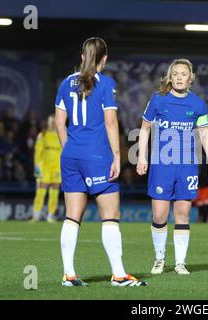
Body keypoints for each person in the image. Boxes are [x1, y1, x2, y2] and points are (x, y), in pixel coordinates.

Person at [54, 37, 146, 287]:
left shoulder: (65, 83)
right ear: (104, 59)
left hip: (71, 155)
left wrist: (70, 148)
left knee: (72, 216)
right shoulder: (106, 84)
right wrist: (117, 156)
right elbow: (110, 122)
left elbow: (59, 123)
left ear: (82, 56)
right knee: (111, 216)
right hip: (97, 155)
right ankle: (118, 275)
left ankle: (69, 274)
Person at [136, 58, 208, 275]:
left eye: (183, 74)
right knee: (160, 215)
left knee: (183, 214)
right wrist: (142, 157)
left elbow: (205, 135)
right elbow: (144, 129)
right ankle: (159, 259)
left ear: (190, 78)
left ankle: (180, 263)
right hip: (162, 165)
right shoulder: (158, 100)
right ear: (170, 78)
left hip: (187, 166)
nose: (179, 77)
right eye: (176, 74)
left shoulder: (198, 104)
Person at [30, 115, 62, 223]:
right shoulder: (43, 135)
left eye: (54, 121)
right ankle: (36, 216)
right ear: (47, 123)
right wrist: (37, 168)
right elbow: (38, 153)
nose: (53, 123)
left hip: (57, 168)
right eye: (51, 121)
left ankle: (50, 216)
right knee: (41, 192)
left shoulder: (61, 135)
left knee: (54, 194)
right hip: (45, 168)